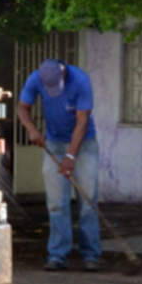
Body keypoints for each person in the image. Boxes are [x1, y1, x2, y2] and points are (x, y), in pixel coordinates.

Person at [18, 59, 101, 271]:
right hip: (53, 143)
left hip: (84, 144)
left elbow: (82, 123)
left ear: (63, 73)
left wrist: (70, 157)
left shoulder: (81, 81)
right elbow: (22, 108)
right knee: (56, 203)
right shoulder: (36, 79)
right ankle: (57, 255)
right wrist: (31, 129)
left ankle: (91, 255)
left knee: (87, 200)